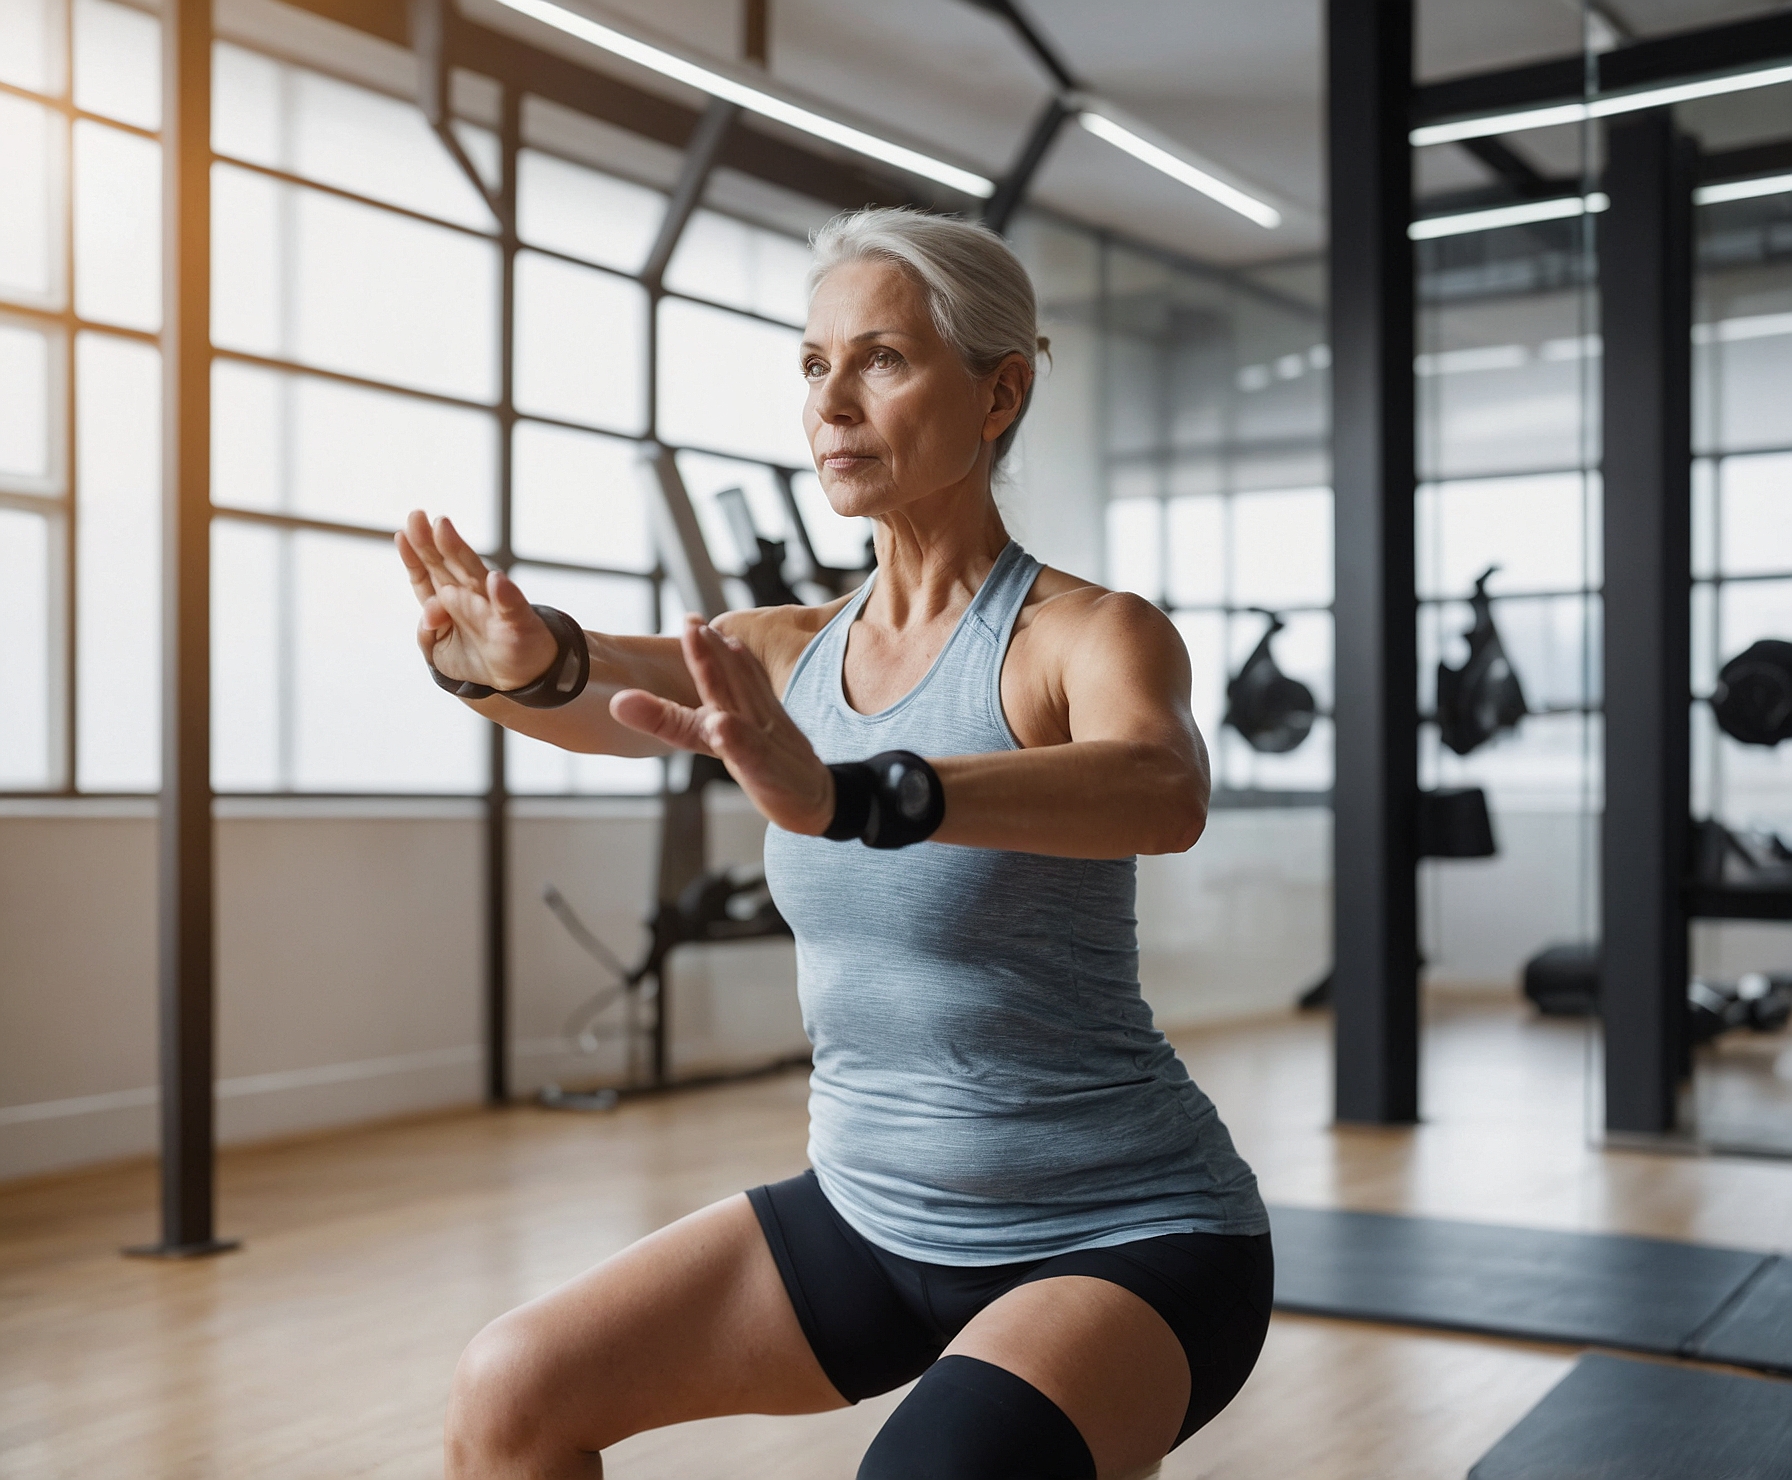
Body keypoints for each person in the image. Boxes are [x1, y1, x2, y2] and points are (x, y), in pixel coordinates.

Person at [397, 207, 1271, 1480]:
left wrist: (868, 794)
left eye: (881, 359)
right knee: (511, 1390)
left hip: (1123, 1233)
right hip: (871, 1218)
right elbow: (601, 691)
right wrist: (519, 666)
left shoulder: (1083, 635)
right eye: (814, 366)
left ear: (998, 392)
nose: (832, 402)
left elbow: (1159, 787)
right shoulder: (785, 652)